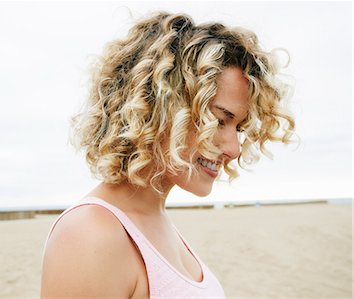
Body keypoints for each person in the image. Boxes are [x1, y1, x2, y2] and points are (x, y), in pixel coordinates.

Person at [40, 12, 294, 298]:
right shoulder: (91, 235)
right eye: (218, 120)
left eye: (239, 127)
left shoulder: (156, 220)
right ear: (158, 107)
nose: (233, 149)